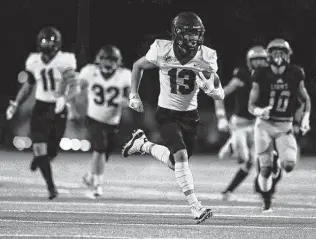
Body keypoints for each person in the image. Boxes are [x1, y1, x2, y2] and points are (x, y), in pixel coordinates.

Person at [122, 12, 224, 224]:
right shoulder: (162, 49)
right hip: (167, 113)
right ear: (177, 34)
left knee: (174, 161)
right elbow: (138, 66)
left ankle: (143, 145)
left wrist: (212, 91)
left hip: (190, 116)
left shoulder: (206, 55)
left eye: (197, 34)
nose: (194, 39)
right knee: (180, 156)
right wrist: (134, 94)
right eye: (189, 34)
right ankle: (195, 207)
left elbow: (219, 90)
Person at [6, 27, 77, 200]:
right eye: (45, 41)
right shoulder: (33, 61)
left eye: (51, 41)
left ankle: (40, 159)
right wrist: (15, 103)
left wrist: (65, 99)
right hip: (41, 107)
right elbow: (28, 86)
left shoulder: (65, 60)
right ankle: (51, 188)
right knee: (39, 146)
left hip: (58, 108)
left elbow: (73, 84)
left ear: (57, 43)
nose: (47, 44)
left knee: (51, 151)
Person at [248, 38, 311, 212]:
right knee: (266, 169)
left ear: (288, 55)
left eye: (281, 52)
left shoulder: (295, 72)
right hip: (264, 125)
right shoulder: (261, 73)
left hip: (285, 125)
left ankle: (277, 159)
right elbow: (251, 104)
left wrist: (305, 118)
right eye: (274, 52)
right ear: (269, 55)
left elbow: (304, 99)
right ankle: (266, 200)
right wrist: (259, 111)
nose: (278, 55)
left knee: (289, 165)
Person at [214, 46, 268, 201]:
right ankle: (231, 145)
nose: (258, 64)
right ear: (249, 62)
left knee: (253, 161)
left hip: (256, 124)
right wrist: (221, 117)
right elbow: (220, 94)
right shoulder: (243, 75)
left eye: (261, 60)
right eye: (255, 60)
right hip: (240, 124)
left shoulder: (269, 77)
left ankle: (228, 192)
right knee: (243, 158)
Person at [78, 45, 131, 198]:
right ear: (99, 60)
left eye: (112, 60)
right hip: (94, 118)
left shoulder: (124, 75)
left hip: (112, 121)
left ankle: (90, 175)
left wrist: (127, 101)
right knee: (100, 147)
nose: (108, 63)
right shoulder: (89, 71)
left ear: (118, 61)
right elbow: (78, 87)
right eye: (106, 59)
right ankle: (97, 184)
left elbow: (129, 96)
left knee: (105, 152)